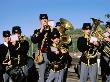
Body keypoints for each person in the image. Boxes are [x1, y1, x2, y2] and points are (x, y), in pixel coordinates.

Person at [31, 14, 51, 82]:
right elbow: (34, 40)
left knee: (51, 75)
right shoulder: (37, 31)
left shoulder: (51, 30)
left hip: (52, 54)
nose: (44, 20)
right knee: (42, 76)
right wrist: (41, 30)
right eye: (42, 19)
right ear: (40, 21)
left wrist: (52, 28)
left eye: (46, 19)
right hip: (43, 55)